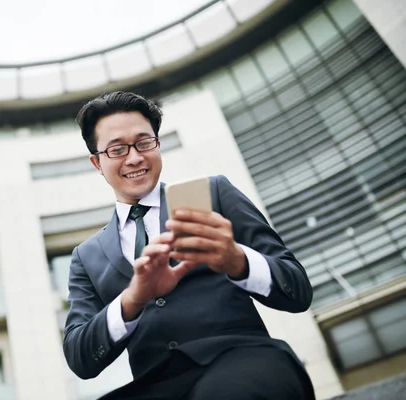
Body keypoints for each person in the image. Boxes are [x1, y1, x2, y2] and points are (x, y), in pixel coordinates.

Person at [63, 91, 315, 400]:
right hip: (155, 385)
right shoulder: (85, 257)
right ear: (97, 163)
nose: (134, 157)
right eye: (117, 149)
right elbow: (80, 357)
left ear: (158, 145)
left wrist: (238, 261)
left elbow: (298, 289)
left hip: (243, 361)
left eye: (144, 142)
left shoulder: (216, 193)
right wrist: (133, 298)